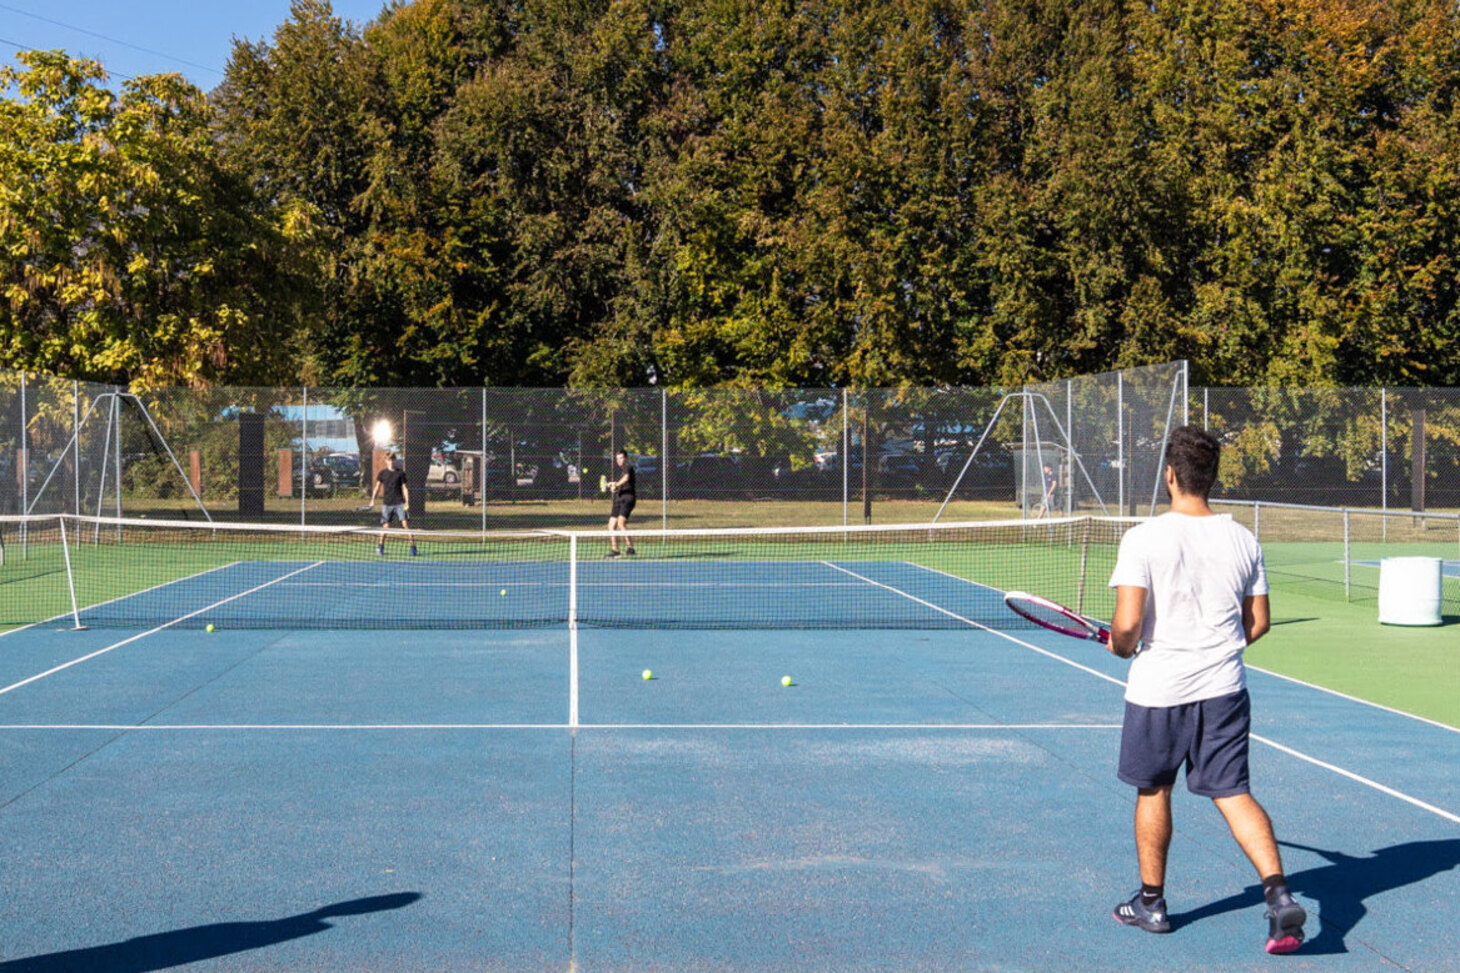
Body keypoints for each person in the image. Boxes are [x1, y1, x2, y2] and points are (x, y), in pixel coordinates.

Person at [1106, 425, 1305, 955]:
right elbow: (1258, 623)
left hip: (1159, 692)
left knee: (1154, 790)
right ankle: (1279, 895)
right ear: (1211, 478)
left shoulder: (1142, 538)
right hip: (1224, 690)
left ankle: (1151, 902)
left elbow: (1126, 627)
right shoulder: (1244, 538)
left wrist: (1119, 644)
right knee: (1233, 793)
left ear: (1169, 475)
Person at [370, 451, 417, 557]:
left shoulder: (400, 473)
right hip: (387, 503)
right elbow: (377, 487)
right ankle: (380, 547)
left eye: (392, 459)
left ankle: (413, 547)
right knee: (385, 526)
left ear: (394, 460)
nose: (390, 462)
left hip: (400, 503)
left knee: (406, 525)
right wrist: (373, 500)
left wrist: (407, 502)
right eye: (388, 460)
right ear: (386, 461)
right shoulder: (382, 473)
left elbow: (405, 488)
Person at [605, 449, 637, 558]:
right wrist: (613, 485)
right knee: (611, 524)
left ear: (626, 458)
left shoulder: (628, 467)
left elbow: (626, 478)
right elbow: (620, 483)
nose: (619, 460)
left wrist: (617, 484)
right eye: (617, 458)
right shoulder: (619, 470)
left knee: (621, 523)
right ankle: (615, 550)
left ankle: (630, 548)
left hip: (628, 498)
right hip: (619, 498)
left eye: (621, 458)